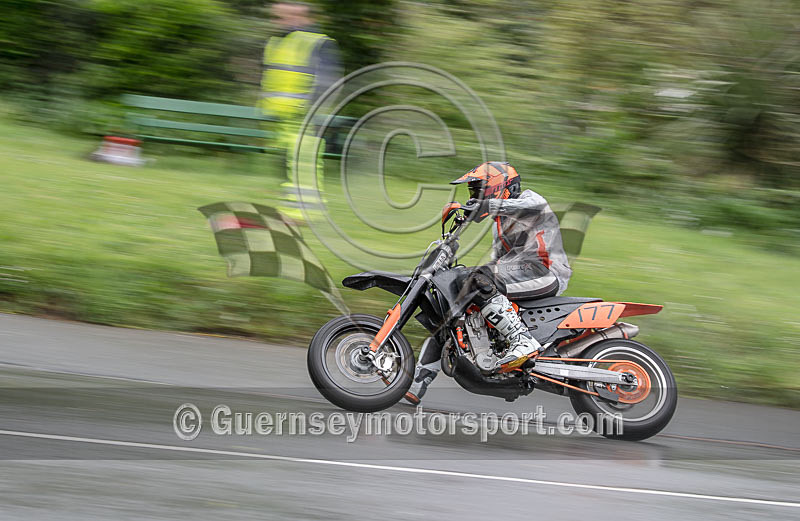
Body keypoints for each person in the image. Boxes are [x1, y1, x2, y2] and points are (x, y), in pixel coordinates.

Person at [405, 161, 572, 405]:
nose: (473, 196)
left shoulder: (531, 199)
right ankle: (417, 382)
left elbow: (526, 206)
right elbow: (500, 264)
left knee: (478, 277)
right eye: (472, 192)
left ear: (499, 186)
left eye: (478, 190)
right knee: (454, 307)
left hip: (546, 271)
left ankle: (522, 341)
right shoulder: (499, 225)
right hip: (522, 273)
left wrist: (487, 206)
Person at [261, 1, 341, 222]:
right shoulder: (277, 41)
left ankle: (303, 213)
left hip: (304, 117)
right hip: (282, 118)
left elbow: (328, 81)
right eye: (278, 14)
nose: (280, 17)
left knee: (303, 164)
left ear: (302, 11)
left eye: (286, 11)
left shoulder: (318, 42)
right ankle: (293, 209)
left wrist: (312, 109)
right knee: (290, 165)